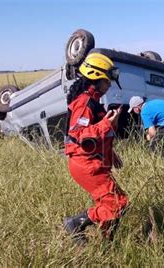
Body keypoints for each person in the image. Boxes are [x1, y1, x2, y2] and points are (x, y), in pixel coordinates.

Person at [63, 52, 128, 245]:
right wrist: (107, 124)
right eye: (107, 82)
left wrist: (111, 154)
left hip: (92, 161)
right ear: (96, 78)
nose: (109, 86)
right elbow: (80, 135)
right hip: (85, 163)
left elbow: (96, 138)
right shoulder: (84, 103)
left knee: (109, 203)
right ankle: (75, 223)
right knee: (118, 203)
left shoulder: (92, 101)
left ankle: (108, 242)